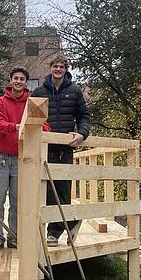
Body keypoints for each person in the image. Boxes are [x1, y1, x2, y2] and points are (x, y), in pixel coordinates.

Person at [0, 67, 49, 250]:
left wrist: (39, 129)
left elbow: (44, 124)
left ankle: (13, 236)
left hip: (21, 157)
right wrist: (18, 127)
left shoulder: (32, 104)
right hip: (0, 158)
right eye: (16, 78)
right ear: (10, 80)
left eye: (22, 79)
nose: (18, 81)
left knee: (17, 201)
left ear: (26, 82)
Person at [32, 56, 90, 246]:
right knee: (47, 190)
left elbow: (83, 116)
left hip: (66, 149)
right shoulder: (39, 91)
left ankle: (54, 233)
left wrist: (82, 133)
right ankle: (68, 223)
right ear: (50, 69)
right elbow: (32, 117)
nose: (58, 69)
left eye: (61, 66)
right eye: (55, 66)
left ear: (65, 70)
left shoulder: (74, 91)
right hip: (45, 148)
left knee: (63, 190)